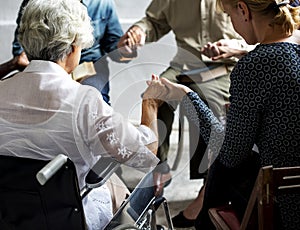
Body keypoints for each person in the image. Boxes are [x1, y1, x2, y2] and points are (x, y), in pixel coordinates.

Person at [0, 0, 161, 229]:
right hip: (68, 218)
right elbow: (145, 152)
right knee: (119, 187)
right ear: (74, 47)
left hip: (11, 216)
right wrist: (151, 104)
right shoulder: (86, 102)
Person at [145, 0, 300, 229]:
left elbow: (230, 155)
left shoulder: (255, 66)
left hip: (283, 208)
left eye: (229, 15)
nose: (232, 22)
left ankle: (199, 212)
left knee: (224, 168)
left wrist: (187, 97)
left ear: (243, 10)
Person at [117, 0, 252, 227]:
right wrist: (139, 31)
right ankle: (159, 169)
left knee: (212, 109)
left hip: (224, 66)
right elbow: (154, 21)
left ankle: (208, 189)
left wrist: (237, 45)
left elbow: (265, 29)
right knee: (152, 97)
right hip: (184, 67)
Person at [0, 0, 126, 104]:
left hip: (89, 65)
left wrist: (124, 49)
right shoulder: (35, 3)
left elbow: (115, 45)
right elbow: (21, 48)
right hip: (47, 63)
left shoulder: (103, 4)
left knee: (94, 98)